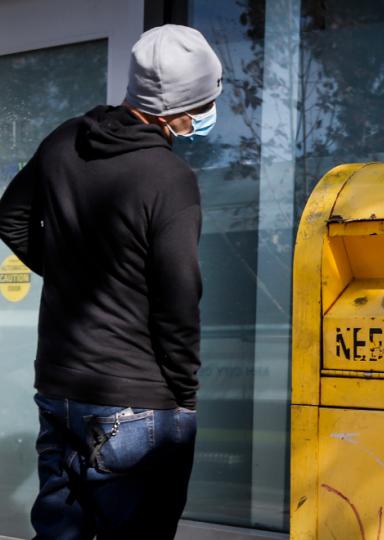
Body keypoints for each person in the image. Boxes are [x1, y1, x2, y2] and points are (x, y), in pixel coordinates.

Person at [0, 25, 222, 539]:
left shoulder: (65, 139)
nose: (209, 112)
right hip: (140, 400)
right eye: (207, 101)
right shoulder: (169, 178)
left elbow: (10, 218)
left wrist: (72, 276)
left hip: (60, 387)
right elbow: (179, 299)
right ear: (181, 110)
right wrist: (184, 394)